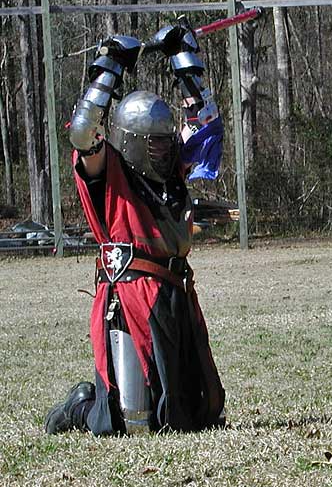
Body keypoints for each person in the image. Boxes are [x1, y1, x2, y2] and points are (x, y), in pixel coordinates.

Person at [45, 22, 226, 436]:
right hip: (131, 298)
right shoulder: (108, 173)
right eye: (154, 143)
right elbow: (82, 132)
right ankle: (81, 407)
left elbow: (205, 124)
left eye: (167, 142)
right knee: (134, 421)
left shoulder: (173, 171)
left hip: (175, 294)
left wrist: (183, 59)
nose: (164, 150)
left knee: (199, 412)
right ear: (130, 141)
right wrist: (109, 68)